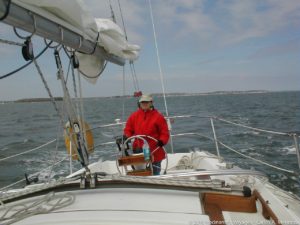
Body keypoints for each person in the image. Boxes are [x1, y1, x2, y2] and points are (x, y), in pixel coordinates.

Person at [123, 94, 170, 175]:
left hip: (154, 150)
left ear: (151, 103)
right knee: (140, 173)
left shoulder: (158, 117)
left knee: (155, 173)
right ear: (139, 103)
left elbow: (164, 132)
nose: (144, 104)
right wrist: (127, 136)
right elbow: (128, 129)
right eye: (142, 102)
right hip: (139, 150)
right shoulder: (134, 116)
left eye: (146, 102)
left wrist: (162, 141)